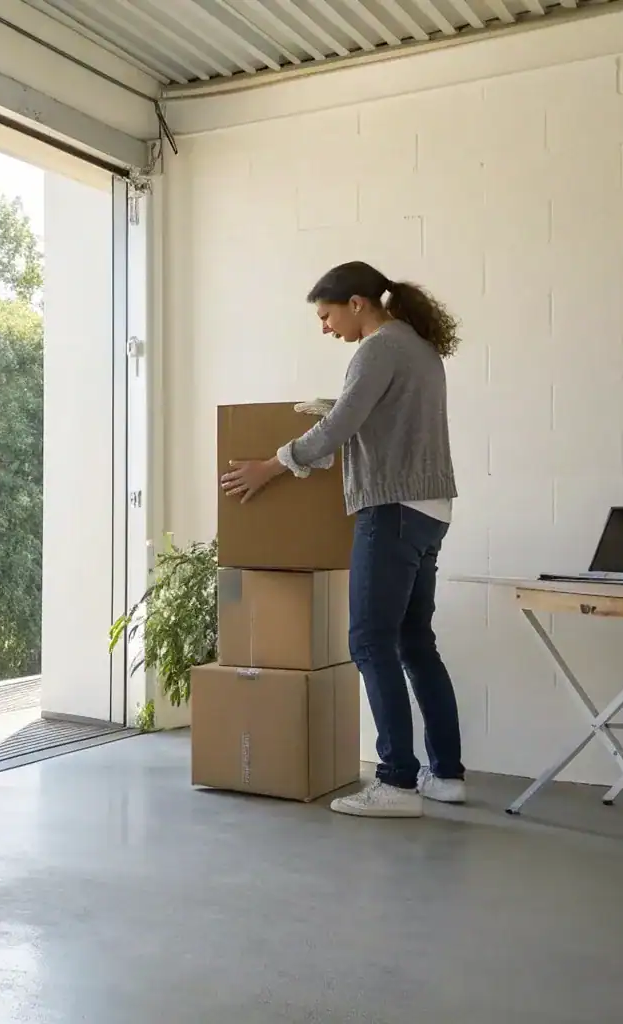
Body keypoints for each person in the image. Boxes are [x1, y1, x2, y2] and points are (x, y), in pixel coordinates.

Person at [219, 261, 465, 819]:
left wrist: (273, 464)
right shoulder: (420, 349)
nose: (325, 328)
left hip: (392, 509)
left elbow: (340, 429)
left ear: (357, 303)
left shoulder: (378, 348)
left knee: (369, 642)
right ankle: (446, 776)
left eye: (327, 315)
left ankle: (398, 783)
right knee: (414, 644)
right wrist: (338, 410)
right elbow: (384, 421)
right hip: (430, 509)